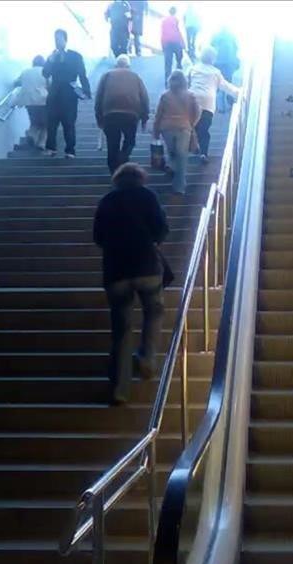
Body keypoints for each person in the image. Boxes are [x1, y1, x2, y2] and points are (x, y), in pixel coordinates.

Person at [93, 162, 169, 406]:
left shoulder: (107, 200)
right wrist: (152, 240)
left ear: (117, 179)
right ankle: (147, 359)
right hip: (147, 267)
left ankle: (119, 389)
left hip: (116, 272)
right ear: (140, 178)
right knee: (154, 312)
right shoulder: (147, 196)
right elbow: (161, 228)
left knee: (122, 331)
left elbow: (98, 237)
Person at [95, 55, 150, 174]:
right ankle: (123, 158)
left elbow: (98, 97)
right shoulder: (136, 77)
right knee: (130, 140)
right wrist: (145, 118)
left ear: (116, 65)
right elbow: (144, 98)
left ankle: (114, 172)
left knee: (112, 143)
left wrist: (99, 117)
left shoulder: (106, 76)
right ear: (129, 66)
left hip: (110, 114)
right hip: (131, 113)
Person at [42, 29, 92, 159]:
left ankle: (70, 150)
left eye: (59, 39)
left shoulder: (75, 56)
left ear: (65, 39)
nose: (57, 42)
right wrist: (50, 61)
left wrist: (86, 91)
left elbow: (82, 74)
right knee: (51, 122)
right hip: (54, 93)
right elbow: (45, 73)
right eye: (55, 39)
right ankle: (51, 148)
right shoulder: (52, 57)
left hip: (69, 93)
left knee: (69, 122)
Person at [186, 46, 240, 163]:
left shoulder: (193, 69)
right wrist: (238, 92)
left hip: (192, 100)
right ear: (213, 59)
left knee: (192, 127)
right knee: (204, 129)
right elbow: (225, 86)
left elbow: (185, 83)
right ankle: (203, 153)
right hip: (207, 103)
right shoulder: (215, 72)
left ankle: (192, 148)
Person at [152, 69, 200, 197]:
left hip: (166, 128)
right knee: (182, 156)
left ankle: (171, 166)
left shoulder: (165, 96)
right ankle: (179, 187)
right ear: (184, 81)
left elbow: (158, 115)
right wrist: (191, 123)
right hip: (184, 128)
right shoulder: (190, 95)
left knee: (172, 152)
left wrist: (155, 130)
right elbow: (197, 112)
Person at [12, 55, 49, 150]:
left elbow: (16, 82)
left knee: (34, 122)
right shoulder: (45, 72)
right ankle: (41, 143)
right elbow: (50, 84)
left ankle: (31, 135)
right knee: (45, 124)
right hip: (42, 100)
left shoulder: (25, 72)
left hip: (28, 101)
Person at [160, 6, 185, 84]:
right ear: (175, 12)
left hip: (167, 42)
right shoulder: (176, 20)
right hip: (175, 41)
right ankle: (179, 77)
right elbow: (178, 32)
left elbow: (162, 33)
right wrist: (183, 43)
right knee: (179, 59)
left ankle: (167, 81)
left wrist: (162, 44)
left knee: (168, 63)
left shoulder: (164, 21)